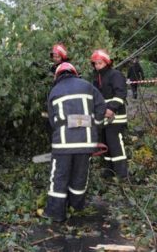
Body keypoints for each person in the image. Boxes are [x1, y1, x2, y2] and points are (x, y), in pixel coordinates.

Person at [44, 62, 106, 222]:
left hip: (63, 144)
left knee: (59, 177)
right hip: (85, 143)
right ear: (74, 72)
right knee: (80, 176)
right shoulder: (87, 86)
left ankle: (55, 213)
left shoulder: (54, 91)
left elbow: (52, 120)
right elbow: (101, 108)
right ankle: (76, 206)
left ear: (57, 75)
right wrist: (95, 125)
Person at [90, 49, 128, 179]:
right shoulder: (97, 78)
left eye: (99, 63)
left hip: (115, 118)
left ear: (106, 62)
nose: (97, 66)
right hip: (103, 118)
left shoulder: (115, 75)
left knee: (115, 145)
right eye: (95, 63)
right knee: (106, 146)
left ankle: (122, 175)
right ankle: (109, 173)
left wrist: (111, 108)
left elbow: (121, 93)